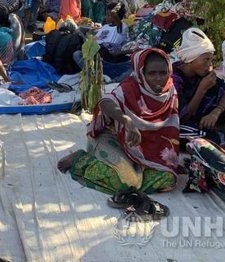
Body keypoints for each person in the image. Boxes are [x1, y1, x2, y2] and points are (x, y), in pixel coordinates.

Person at [58, 49, 179, 195]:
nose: (158, 78)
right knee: (129, 181)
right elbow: (106, 102)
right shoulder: (130, 88)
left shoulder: (170, 92)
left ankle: (134, 177)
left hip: (146, 147)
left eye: (163, 73)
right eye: (151, 73)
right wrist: (126, 121)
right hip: (114, 138)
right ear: (141, 73)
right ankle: (80, 160)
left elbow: (167, 131)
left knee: (168, 178)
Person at [173, 28, 225, 140]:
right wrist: (202, 89)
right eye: (206, 59)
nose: (209, 65)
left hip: (197, 121)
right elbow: (184, 117)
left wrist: (216, 113)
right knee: (210, 139)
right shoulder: (174, 79)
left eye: (211, 60)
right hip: (178, 123)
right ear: (191, 59)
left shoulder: (204, 74)